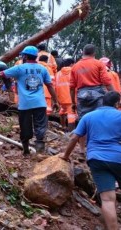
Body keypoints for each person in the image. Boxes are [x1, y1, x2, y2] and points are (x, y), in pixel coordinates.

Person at [0, 46, 59, 154]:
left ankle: (26, 151)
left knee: (25, 127)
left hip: (25, 104)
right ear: (36, 56)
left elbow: (0, 74)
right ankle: (40, 152)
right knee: (40, 127)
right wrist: (56, 102)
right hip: (40, 103)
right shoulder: (42, 69)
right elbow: (50, 86)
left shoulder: (20, 68)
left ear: (25, 56)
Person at [60, 91, 121, 230]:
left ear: (102, 102)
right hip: (118, 156)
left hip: (96, 158)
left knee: (107, 199)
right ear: (117, 103)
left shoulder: (88, 116)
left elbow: (74, 138)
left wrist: (65, 156)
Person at [70, 44, 114, 153]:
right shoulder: (98, 63)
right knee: (100, 120)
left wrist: (73, 102)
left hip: (82, 95)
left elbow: (72, 87)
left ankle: (81, 149)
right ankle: (99, 146)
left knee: (82, 121)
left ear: (82, 53)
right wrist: (115, 95)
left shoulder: (75, 66)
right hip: (98, 94)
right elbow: (107, 82)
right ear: (94, 53)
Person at [55, 58, 76, 131]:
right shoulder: (73, 72)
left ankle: (63, 126)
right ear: (71, 64)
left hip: (61, 98)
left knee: (62, 111)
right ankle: (71, 131)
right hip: (71, 97)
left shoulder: (58, 73)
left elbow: (55, 86)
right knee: (71, 114)